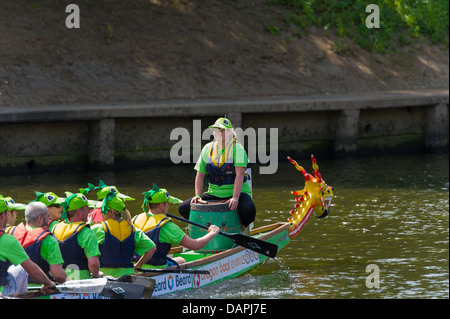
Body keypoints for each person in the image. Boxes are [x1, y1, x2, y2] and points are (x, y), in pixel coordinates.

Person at [178, 116, 256, 228]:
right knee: (184, 208)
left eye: (221, 130)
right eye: (215, 130)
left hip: (237, 193)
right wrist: (198, 195)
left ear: (229, 132)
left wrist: (235, 198)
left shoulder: (237, 149)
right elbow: (200, 174)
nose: (217, 132)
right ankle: (207, 229)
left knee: (248, 210)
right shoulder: (207, 148)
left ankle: (240, 227)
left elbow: (240, 175)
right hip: (214, 193)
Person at [133, 184, 220, 266]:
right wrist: (212, 233)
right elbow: (195, 245)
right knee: (182, 260)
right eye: (168, 203)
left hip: (133, 266)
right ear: (161, 206)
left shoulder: (134, 219)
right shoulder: (167, 226)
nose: (169, 206)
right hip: (155, 268)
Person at [91, 191, 155, 277]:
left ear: (111, 212)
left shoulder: (97, 229)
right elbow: (152, 248)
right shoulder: (134, 230)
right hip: (127, 276)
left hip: (104, 277)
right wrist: (139, 265)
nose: (101, 213)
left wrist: (89, 224)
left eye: (102, 210)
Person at [1, 199, 56, 297]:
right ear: (2, 216)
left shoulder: (10, 232)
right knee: (20, 268)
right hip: (3, 292)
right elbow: (32, 269)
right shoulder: (6, 240)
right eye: (7, 213)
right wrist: (49, 283)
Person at [8, 201, 68, 285]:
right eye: (48, 217)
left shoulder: (11, 233)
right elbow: (58, 275)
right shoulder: (49, 240)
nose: (49, 220)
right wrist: (72, 284)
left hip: (12, 288)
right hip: (39, 290)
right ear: (40, 219)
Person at [51, 193, 102, 280]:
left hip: (58, 279)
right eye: (87, 209)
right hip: (80, 281)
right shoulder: (87, 232)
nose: (89, 212)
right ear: (79, 211)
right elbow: (93, 263)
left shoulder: (54, 228)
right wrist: (97, 275)